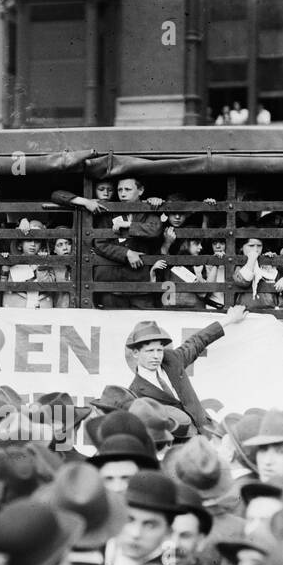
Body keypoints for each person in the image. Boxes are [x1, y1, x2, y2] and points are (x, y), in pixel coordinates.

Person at [123, 308, 246, 437]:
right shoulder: (135, 391)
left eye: (159, 350)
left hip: (208, 431)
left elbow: (197, 341)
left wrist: (229, 319)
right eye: (149, 351)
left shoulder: (172, 359)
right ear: (136, 353)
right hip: (180, 444)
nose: (156, 356)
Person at [92, 176, 165, 310]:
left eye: (127, 189)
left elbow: (155, 230)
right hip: (113, 285)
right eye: (120, 190)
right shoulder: (109, 212)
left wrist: (128, 225)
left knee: (144, 325)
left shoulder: (149, 209)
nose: (123, 194)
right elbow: (101, 243)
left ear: (141, 190)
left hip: (141, 285)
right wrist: (127, 253)